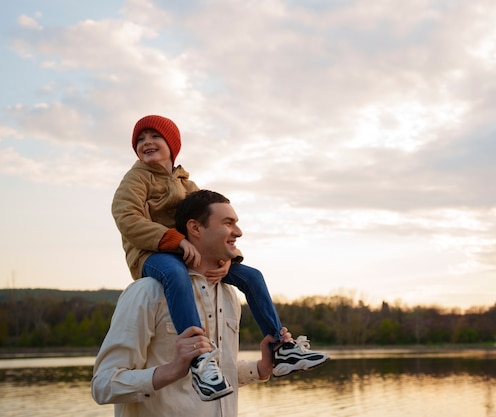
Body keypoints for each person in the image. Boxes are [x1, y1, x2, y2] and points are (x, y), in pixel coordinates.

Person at [111, 115, 328, 401]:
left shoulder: (187, 184)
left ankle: (281, 347)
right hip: (151, 254)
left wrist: (228, 258)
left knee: (252, 276)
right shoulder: (137, 177)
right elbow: (125, 216)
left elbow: (213, 225)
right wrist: (171, 239)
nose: (146, 142)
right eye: (140, 139)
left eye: (154, 137)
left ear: (172, 145)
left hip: (190, 254)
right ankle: (199, 358)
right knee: (175, 274)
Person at [92, 190, 289, 417]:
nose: (239, 232)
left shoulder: (228, 295)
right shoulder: (147, 292)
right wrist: (173, 370)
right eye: (228, 223)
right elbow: (103, 385)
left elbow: (221, 370)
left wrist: (261, 368)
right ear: (195, 228)